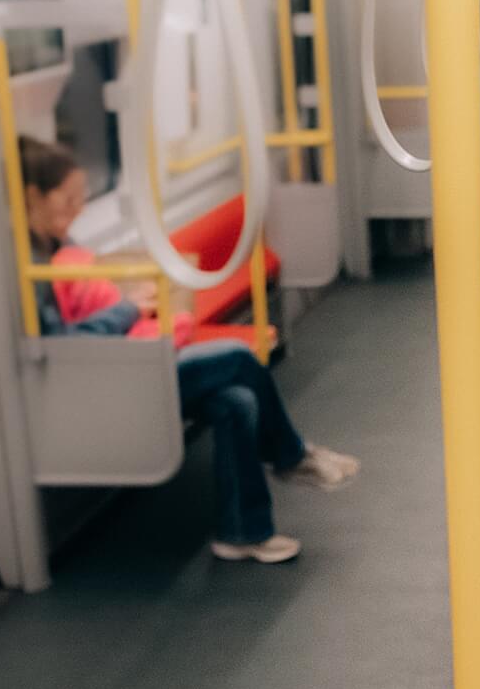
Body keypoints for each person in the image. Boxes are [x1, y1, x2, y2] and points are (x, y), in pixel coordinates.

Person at [18, 137, 359, 564]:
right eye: (68, 200)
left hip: (121, 362)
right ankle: (291, 455)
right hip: (101, 381)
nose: (79, 210)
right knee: (237, 359)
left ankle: (242, 533)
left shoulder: (52, 246)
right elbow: (62, 345)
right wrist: (127, 309)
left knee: (236, 401)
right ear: (33, 197)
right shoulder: (26, 271)